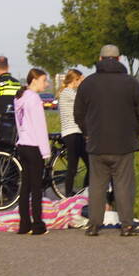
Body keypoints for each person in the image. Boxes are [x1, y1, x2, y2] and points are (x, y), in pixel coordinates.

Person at [73, 44, 139, 237]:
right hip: (124, 144)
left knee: (97, 185)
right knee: (123, 185)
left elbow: (78, 114)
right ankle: (126, 226)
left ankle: (94, 226)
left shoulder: (88, 83)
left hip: (97, 144)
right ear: (119, 59)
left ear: (99, 59)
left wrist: (87, 132)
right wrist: (137, 132)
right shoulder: (132, 83)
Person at [14, 68, 51, 235]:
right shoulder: (34, 99)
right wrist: (46, 151)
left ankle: (24, 224)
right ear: (34, 80)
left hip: (22, 144)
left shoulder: (20, 97)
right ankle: (37, 225)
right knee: (36, 188)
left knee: (25, 186)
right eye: (44, 80)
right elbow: (40, 127)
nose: (47, 83)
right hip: (34, 146)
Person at [57, 68, 89, 197]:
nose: (81, 83)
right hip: (72, 133)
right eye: (80, 80)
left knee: (87, 164)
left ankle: (84, 190)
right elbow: (84, 101)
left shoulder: (69, 92)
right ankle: (69, 193)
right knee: (73, 166)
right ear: (75, 79)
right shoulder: (67, 92)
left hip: (76, 132)